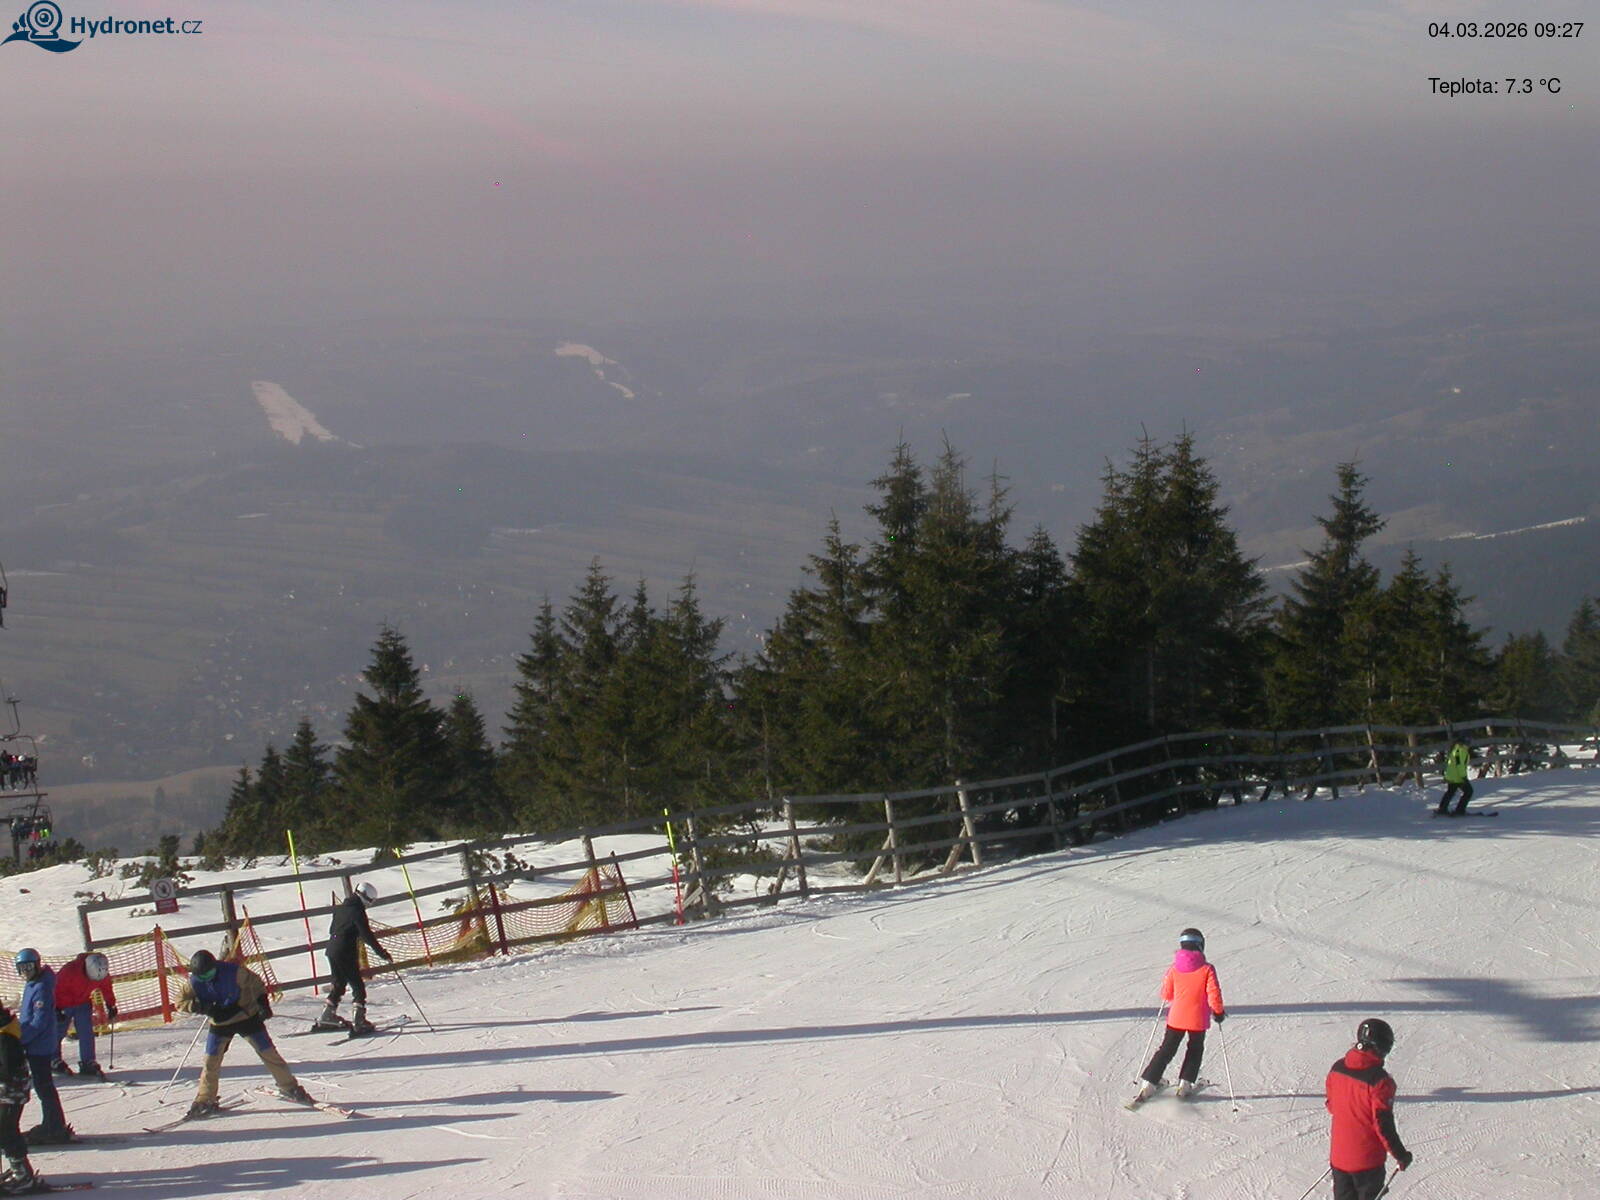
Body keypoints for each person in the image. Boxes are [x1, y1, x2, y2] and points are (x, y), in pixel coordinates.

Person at [175, 950, 312, 1119]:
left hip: (245, 1016)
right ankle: (205, 1098)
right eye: (202, 976)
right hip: (220, 1023)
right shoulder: (194, 982)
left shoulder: (234, 972)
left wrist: (262, 1004)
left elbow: (257, 983)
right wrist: (202, 1007)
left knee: (268, 1052)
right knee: (210, 1060)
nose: (207, 978)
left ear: (215, 966)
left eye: (209, 973)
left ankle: (289, 1087)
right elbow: (180, 1002)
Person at [1132, 928, 1225, 1103]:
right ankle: (1185, 1084)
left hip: (1177, 1018)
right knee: (1195, 1049)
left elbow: (1166, 994)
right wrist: (1218, 1012)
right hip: (1198, 1019)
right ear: (1200, 945)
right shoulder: (1207, 969)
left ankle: (1149, 1083)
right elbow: (1214, 993)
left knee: (1167, 1049)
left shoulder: (1174, 969)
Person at [1326, 1018, 1412, 1199]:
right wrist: (1400, 1155)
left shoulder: (1337, 1068)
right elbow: (1383, 1125)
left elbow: (1332, 1105)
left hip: (1339, 1157)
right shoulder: (1380, 1082)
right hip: (1367, 1162)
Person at [313, 882, 392, 1034]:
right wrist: (382, 953)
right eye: (370, 901)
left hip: (332, 949)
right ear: (366, 898)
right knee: (357, 985)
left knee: (339, 983)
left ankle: (327, 1016)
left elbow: (332, 929)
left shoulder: (341, 908)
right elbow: (367, 935)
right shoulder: (358, 911)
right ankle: (359, 1021)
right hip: (345, 951)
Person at [12, 950, 69, 1145]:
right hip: (35, 1043)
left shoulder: (42, 987)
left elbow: (39, 1021)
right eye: (22, 969)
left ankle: (54, 1127)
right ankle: (54, 1124)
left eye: (29, 967)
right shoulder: (33, 984)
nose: (26, 972)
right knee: (43, 1086)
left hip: (40, 1045)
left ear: (37, 965)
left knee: (44, 1087)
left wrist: (21, 1038)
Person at [51, 952, 117, 1080]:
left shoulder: (102, 973)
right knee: (58, 1031)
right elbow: (55, 988)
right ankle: (53, 1059)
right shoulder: (69, 971)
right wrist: (55, 1008)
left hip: (83, 1003)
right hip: (63, 1004)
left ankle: (88, 1061)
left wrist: (111, 1004)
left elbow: (106, 987)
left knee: (86, 1032)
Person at [0, 1002, 39, 1192]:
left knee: (6, 1131)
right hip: (9, 1090)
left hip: (11, 1092)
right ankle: (20, 1170)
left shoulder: (5, 1038)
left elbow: (7, 1069)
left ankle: (23, 1176)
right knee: (6, 1130)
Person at [1436, 737, 1474, 816]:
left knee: (1451, 791)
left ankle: (1442, 809)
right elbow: (1459, 765)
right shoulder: (1460, 751)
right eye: (1468, 741)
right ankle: (1460, 810)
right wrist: (1463, 776)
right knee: (1468, 791)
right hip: (1457, 777)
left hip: (1453, 776)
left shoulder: (1458, 749)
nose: (1470, 743)